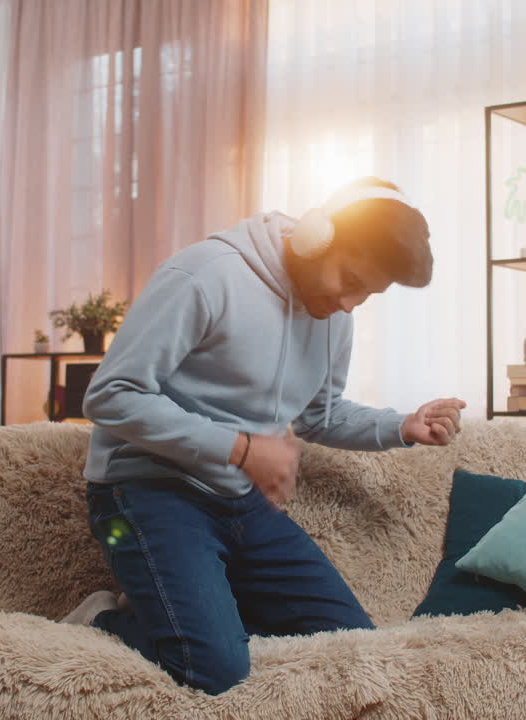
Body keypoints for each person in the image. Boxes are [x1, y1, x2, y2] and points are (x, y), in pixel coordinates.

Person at [63, 177, 466, 696]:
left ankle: (190, 614)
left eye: (368, 292)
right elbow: (109, 395)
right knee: (216, 672)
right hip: (144, 492)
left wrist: (400, 425)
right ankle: (104, 619)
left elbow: (320, 415)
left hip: (241, 502)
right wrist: (241, 449)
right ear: (315, 236)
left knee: (352, 645)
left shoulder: (335, 315)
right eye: (350, 279)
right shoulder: (205, 275)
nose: (350, 302)